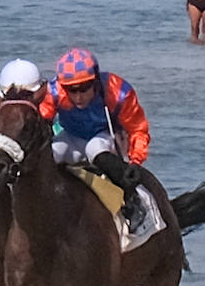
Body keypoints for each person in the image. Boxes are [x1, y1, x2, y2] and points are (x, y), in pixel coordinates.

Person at [39, 48, 151, 229]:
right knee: (53, 152)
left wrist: (135, 161)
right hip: (72, 137)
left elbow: (138, 129)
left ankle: (132, 200)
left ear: (96, 81)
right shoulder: (53, 92)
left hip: (105, 135)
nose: (78, 97)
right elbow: (41, 123)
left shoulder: (118, 91)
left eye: (84, 88)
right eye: (71, 90)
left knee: (94, 148)